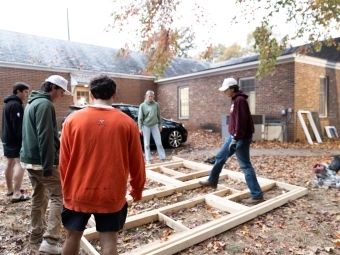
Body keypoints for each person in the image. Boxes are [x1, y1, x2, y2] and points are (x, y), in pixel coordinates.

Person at [60, 75, 146, 255]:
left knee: (72, 237)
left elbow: (64, 161)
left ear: (91, 95)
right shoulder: (128, 123)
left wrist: (66, 189)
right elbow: (137, 162)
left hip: (77, 192)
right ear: (114, 95)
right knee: (109, 243)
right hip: (111, 194)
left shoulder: (72, 120)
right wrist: (137, 190)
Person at [20, 75, 72, 254]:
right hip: (40, 162)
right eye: (61, 91)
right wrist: (48, 165)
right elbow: (45, 137)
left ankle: (36, 235)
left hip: (29, 160)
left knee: (38, 196)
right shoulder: (44, 105)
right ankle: (50, 241)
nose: (62, 96)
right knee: (58, 195)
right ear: (52, 88)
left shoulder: (32, 102)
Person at [199, 77, 264, 205]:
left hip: (240, 138)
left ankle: (257, 195)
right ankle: (212, 180)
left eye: (225, 90)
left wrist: (235, 139)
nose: (224, 92)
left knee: (245, 165)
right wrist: (233, 137)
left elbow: (241, 122)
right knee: (220, 157)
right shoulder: (235, 100)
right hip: (234, 136)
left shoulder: (240, 100)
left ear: (232, 88)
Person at [2, 82, 31, 203]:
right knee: (20, 164)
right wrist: (24, 140)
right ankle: (17, 194)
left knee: (10, 163)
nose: (27, 95)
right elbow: (18, 126)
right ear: (18, 92)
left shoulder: (8, 103)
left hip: (7, 139)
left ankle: (10, 189)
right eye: (25, 92)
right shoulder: (15, 105)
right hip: (15, 140)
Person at [138, 90, 166, 165]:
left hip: (154, 125)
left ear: (153, 97)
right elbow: (140, 117)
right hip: (146, 125)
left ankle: (163, 158)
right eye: (149, 96)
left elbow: (159, 115)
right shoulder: (142, 105)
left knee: (159, 142)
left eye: (151, 96)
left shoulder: (156, 105)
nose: (150, 98)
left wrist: (160, 124)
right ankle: (148, 160)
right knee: (146, 144)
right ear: (146, 96)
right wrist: (140, 128)